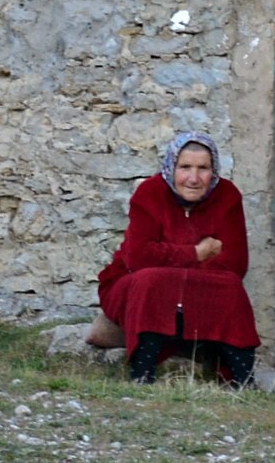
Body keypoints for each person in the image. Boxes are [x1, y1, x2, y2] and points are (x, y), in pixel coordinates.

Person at [96, 132, 260, 387]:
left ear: (214, 170)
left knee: (229, 286)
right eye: (185, 167)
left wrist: (168, 258)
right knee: (150, 280)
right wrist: (197, 253)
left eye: (203, 168)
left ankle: (242, 380)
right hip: (132, 282)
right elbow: (138, 258)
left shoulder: (227, 196)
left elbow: (235, 264)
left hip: (195, 287)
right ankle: (143, 373)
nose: (193, 179)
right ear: (171, 166)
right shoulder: (149, 193)